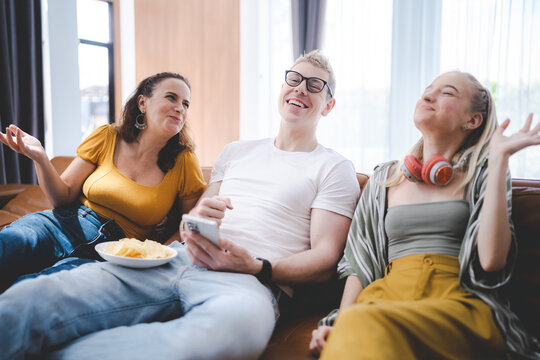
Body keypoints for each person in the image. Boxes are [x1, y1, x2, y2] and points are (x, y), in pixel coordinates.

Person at [0, 50, 360, 360]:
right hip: (175, 260)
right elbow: (193, 219)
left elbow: (326, 260)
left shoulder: (334, 167)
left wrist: (256, 266)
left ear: (328, 106)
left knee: (233, 334)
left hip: (247, 282)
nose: (300, 88)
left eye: (315, 85)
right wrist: (194, 221)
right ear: (282, 89)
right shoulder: (237, 151)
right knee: (37, 295)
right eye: (294, 79)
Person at [309, 71, 540, 359]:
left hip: (455, 304)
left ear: (473, 120)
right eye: (428, 89)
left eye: (448, 92)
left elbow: (492, 260)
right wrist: (342, 323)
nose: (428, 95)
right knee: (358, 326)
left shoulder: (485, 173)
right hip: (383, 301)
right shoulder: (384, 180)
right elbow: (359, 265)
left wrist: (498, 160)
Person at [0, 72, 206, 291]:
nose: (180, 108)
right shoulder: (108, 136)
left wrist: (154, 258)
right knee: (9, 244)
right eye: (171, 97)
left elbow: (188, 225)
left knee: (30, 291)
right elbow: (62, 196)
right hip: (61, 224)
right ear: (143, 102)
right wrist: (40, 157)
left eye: (186, 103)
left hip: (112, 254)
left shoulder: (184, 160)